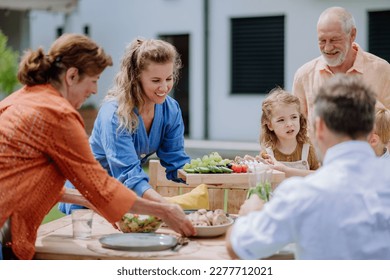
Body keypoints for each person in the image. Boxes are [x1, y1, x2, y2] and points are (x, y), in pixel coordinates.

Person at [0, 34, 195, 260]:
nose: (95, 91)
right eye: (93, 80)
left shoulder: (20, 99)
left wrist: (88, 199)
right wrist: (164, 210)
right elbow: (99, 185)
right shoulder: (59, 115)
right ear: (72, 76)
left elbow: (24, 179)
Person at [226, 74, 390, 260]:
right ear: (370, 129)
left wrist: (250, 213)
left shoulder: (301, 194)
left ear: (319, 128)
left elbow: (237, 247)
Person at [59, 38, 197, 215]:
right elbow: (129, 175)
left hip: (121, 198)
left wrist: (217, 172)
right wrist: (164, 208)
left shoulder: (170, 109)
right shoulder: (115, 114)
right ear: (136, 78)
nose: (164, 87)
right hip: (86, 200)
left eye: (169, 78)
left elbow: (176, 161)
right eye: (156, 80)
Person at [292, 6, 390, 126]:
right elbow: (297, 131)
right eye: (322, 40)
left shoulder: (383, 71)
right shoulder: (304, 76)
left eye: (334, 40)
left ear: (352, 35)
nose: (328, 48)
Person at [256, 87, 320, 177]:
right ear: (270, 125)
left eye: (294, 117)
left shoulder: (308, 148)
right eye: (281, 120)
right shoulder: (267, 154)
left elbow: (319, 176)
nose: (289, 124)